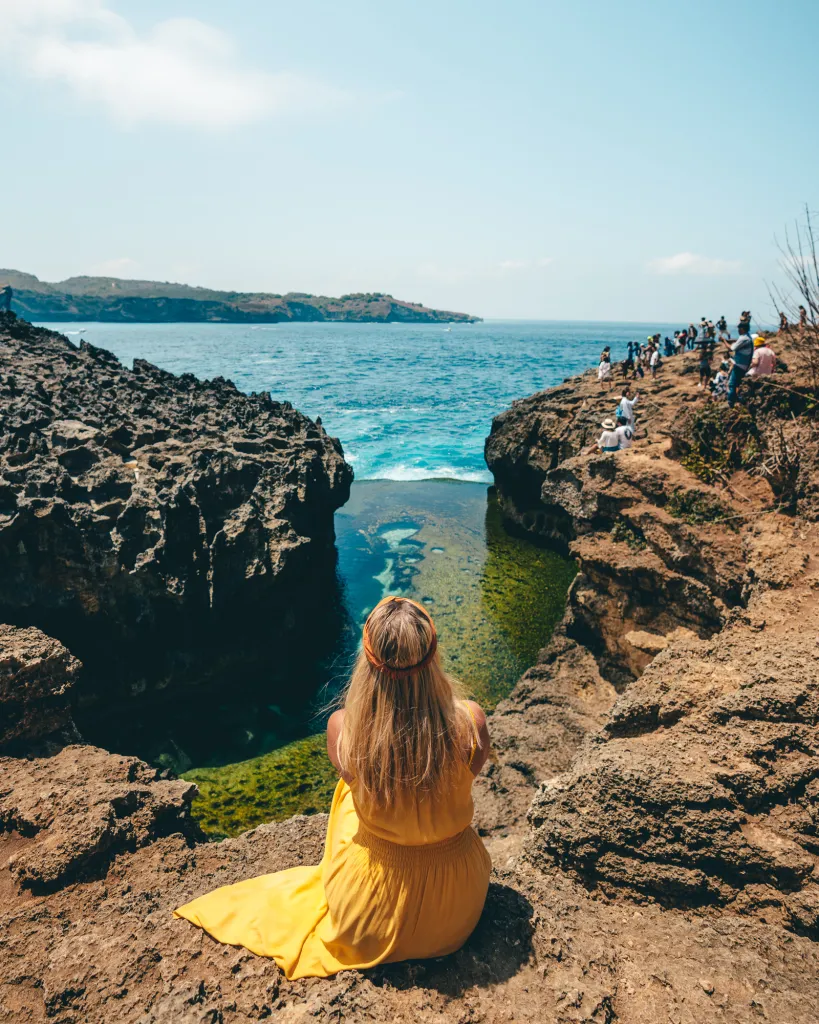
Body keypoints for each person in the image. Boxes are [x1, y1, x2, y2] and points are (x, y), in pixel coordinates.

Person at [174, 596, 492, 980]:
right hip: (457, 908)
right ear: (432, 655)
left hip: (370, 917)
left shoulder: (345, 730)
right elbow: (468, 772)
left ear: (368, 661)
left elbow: (359, 777)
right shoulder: (471, 722)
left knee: (347, 795)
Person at [726, 330, 754, 406]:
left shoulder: (744, 338)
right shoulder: (749, 338)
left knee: (732, 384)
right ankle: (738, 400)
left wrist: (724, 341)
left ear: (742, 328)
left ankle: (730, 402)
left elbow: (732, 348)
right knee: (737, 384)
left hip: (739, 365)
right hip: (744, 366)